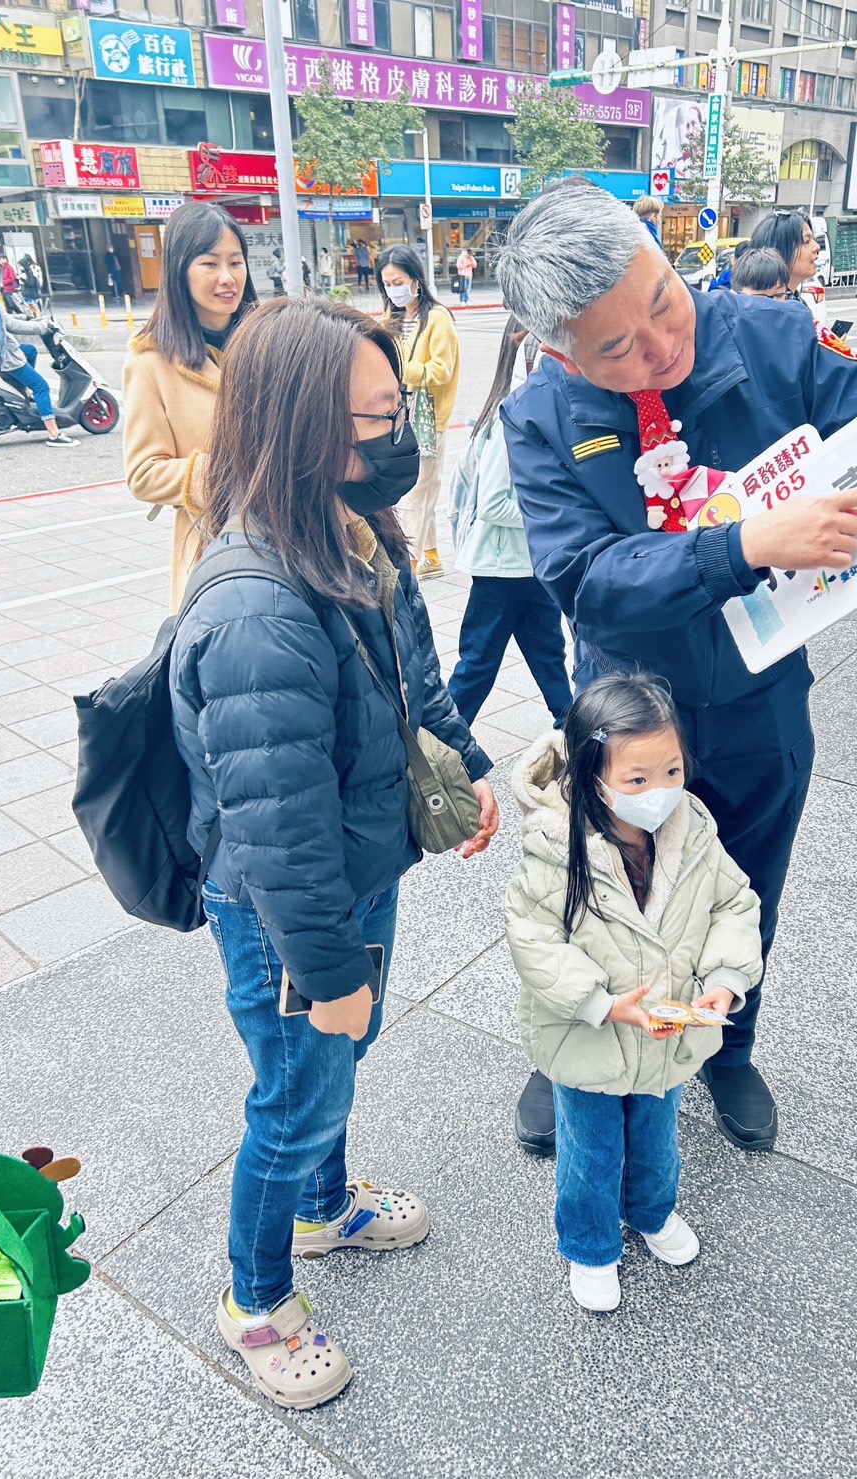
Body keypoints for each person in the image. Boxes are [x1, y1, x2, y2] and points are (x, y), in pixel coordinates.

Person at [497, 181, 857, 1156]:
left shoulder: (772, 339)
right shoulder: (542, 416)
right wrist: (741, 544)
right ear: (560, 351)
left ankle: (726, 1049)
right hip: (626, 712)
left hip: (756, 700)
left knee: (744, 886)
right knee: (606, 891)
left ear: (659, 249)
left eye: (660, 299)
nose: (659, 346)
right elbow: (586, 581)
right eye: (616, 348)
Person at [170, 296, 498, 1409]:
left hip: (347, 880)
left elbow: (415, 674)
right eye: (367, 422)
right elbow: (273, 830)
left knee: (326, 1076)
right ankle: (254, 1298)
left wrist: (472, 765)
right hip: (288, 912)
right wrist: (327, 972)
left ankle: (323, 1209)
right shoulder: (259, 606)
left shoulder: (351, 533)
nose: (391, 438)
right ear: (295, 428)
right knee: (294, 1095)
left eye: (392, 408)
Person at [505, 674, 762, 1311]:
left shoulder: (692, 825)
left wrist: (725, 981)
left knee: (656, 1133)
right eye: (638, 780)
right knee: (590, 1149)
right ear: (593, 776)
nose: (661, 792)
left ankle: (651, 1211)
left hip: (667, 1033)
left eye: (672, 770)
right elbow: (533, 938)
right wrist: (597, 1001)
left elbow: (734, 901)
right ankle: (590, 1246)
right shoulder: (555, 845)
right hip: (589, 1035)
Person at [123, 201, 257, 610]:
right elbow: (143, 474)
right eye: (209, 263)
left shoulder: (266, 340)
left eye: (236, 262)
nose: (227, 277)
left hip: (293, 533)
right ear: (180, 269)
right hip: (214, 549)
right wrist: (228, 472)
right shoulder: (150, 362)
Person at [447, 316, 572, 727]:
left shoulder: (532, 412)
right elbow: (493, 504)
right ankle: (444, 741)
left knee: (549, 654)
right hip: (500, 570)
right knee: (479, 660)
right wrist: (552, 515)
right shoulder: (511, 421)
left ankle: (575, 729)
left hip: (529, 565)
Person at [377, 245, 460, 578]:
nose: (393, 289)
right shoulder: (391, 318)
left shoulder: (437, 319)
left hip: (427, 418)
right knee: (414, 489)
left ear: (415, 279)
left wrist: (400, 368)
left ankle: (411, 562)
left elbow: (442, 370)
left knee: (420, 489)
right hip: (396, 416)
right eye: (387, 283)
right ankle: (430, 555)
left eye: (398, 281)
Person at [0, 255, 76, 447]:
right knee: (41, 387)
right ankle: (54, 434)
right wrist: (43, 326)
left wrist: (28, 317)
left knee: (29, 351)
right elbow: (11, 325)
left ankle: (20, 392)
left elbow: (2, 318)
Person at [748, 209, 819, 305]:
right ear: (778, 251)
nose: (817, 247)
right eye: (806, 241)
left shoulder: (795, 303)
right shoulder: (768, 309)